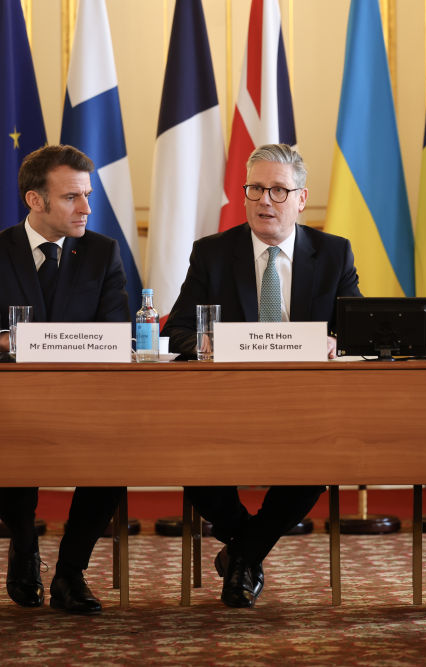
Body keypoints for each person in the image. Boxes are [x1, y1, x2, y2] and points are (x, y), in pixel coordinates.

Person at [161, 143, 361, 608]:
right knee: (188, 454)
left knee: (319, 459)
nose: (264, 200)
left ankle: (243, 555)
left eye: (278, 190)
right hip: (226, 404)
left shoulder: (333, 253)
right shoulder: (213, 254)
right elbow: (177, 332)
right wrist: (206, 345)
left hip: (305, 408)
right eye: (255, 189)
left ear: (301, 198)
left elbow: (357, 330)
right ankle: (247, 549)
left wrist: (337, 341)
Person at [0, 144, 128, 615]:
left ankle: (70, 570)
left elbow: (116, 331)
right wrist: (56, 340)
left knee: (118, 452)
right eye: (72, 197)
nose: (86, 208)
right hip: (8, 402)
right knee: (6, 444)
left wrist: (21, 339)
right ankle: (25, 546)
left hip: (86, 400)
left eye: (87, 195)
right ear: (35, 200)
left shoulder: (102, 252)